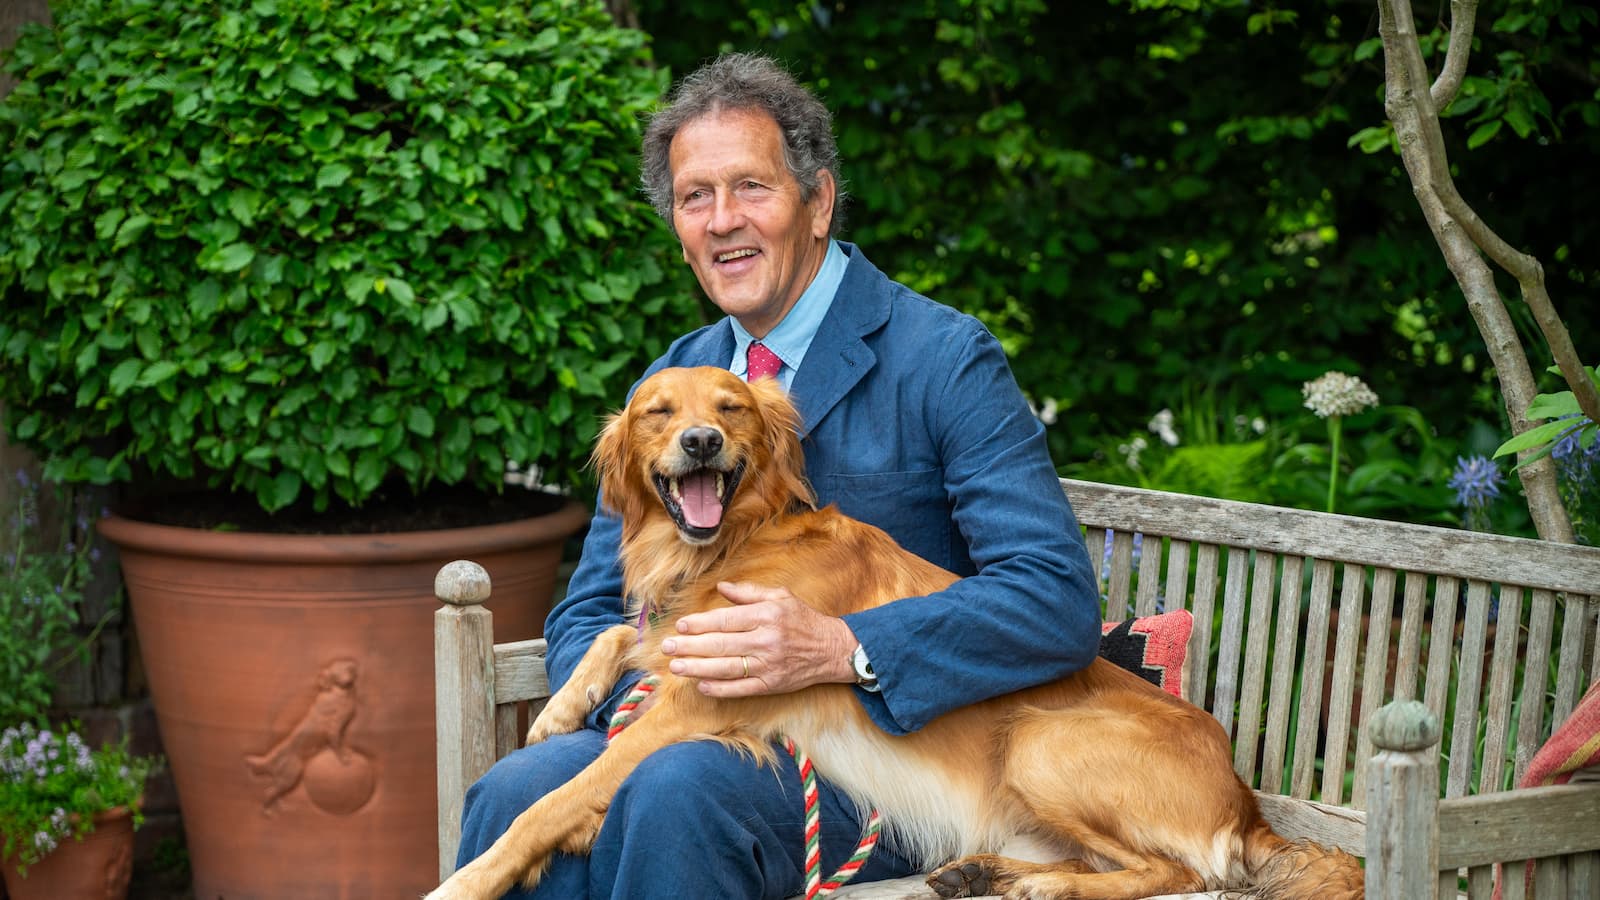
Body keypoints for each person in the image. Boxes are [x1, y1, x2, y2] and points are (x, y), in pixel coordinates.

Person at [455, 51, 1101, 899]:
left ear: (818, 202)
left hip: (892, 763)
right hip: (687, 724)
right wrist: (642, 703)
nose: (724, 220)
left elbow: (1054, 596)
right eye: (696, 197)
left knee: (678, 792)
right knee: (512, 792)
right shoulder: (672, 383)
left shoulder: (943, 358)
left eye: (751, 187)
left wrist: (842, 648)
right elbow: (589, 606)